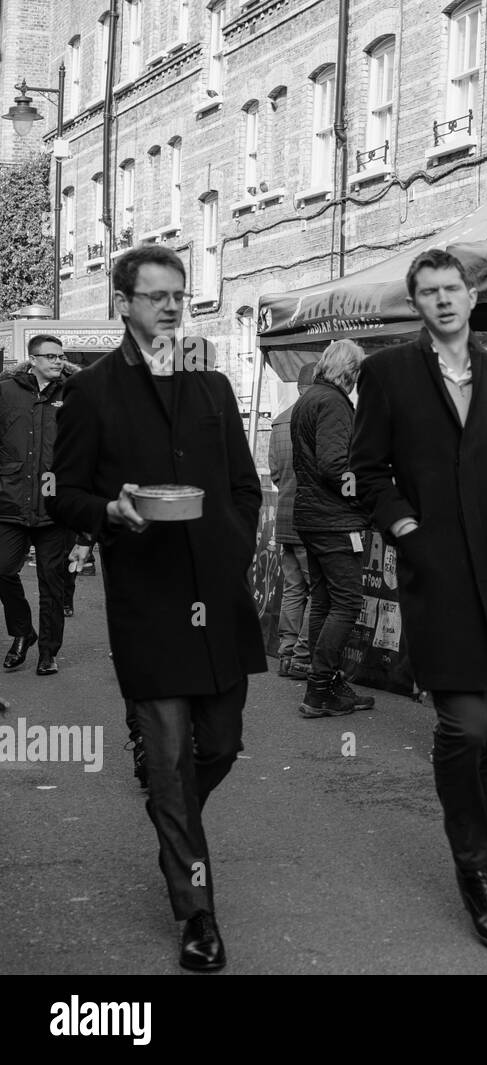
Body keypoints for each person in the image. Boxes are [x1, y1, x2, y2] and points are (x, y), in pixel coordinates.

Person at [47, 245, 266, 972]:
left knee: (221, 744)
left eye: (178, 294)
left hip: (218, 593)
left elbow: (244, 486)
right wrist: (109, 511)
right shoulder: (94, 391)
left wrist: (235, 549)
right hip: (148, 598)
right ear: (124, 304)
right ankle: (196, 910)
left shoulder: (210, 389)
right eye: (154, 296)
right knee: (169, 758)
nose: (170, 306)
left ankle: (173, 814)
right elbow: (64, 495)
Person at [350, 248, 487, 954]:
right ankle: (473, 874)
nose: (443, 301)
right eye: (429, 292)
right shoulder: (387, 373)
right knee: (466, 727)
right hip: (440, 576)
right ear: (417, 303)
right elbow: (367, 470)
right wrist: (407, 528)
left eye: (453, 289)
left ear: (473, 298)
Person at [290, 339, 374, 718]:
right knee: (347, 602)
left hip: (311, 517)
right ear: (350, 372)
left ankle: (324, 684)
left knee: (324, 601)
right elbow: (334, 464)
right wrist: (364, 498)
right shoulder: (334, 403)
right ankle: (320, 687)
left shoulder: (308, 399)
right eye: (357, 374)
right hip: (335, 520)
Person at [0, 335, 81, 675]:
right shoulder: (5, 393)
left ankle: (48, 652)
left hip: (55, 509)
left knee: (52, 583)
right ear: (32, 359)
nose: (57, 361)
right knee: (2, 570)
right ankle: (22, 633)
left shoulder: (75, 395)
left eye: (61, 356)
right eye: (50, 356)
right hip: (11, 503)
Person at [269, 363, 316, 680]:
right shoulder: (318, 417)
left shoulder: (278, 421)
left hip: (284, 516)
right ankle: (302, 653)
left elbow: (274, 472)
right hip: (311, 518)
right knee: (319, 590)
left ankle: (286, 652)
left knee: (293, 590)